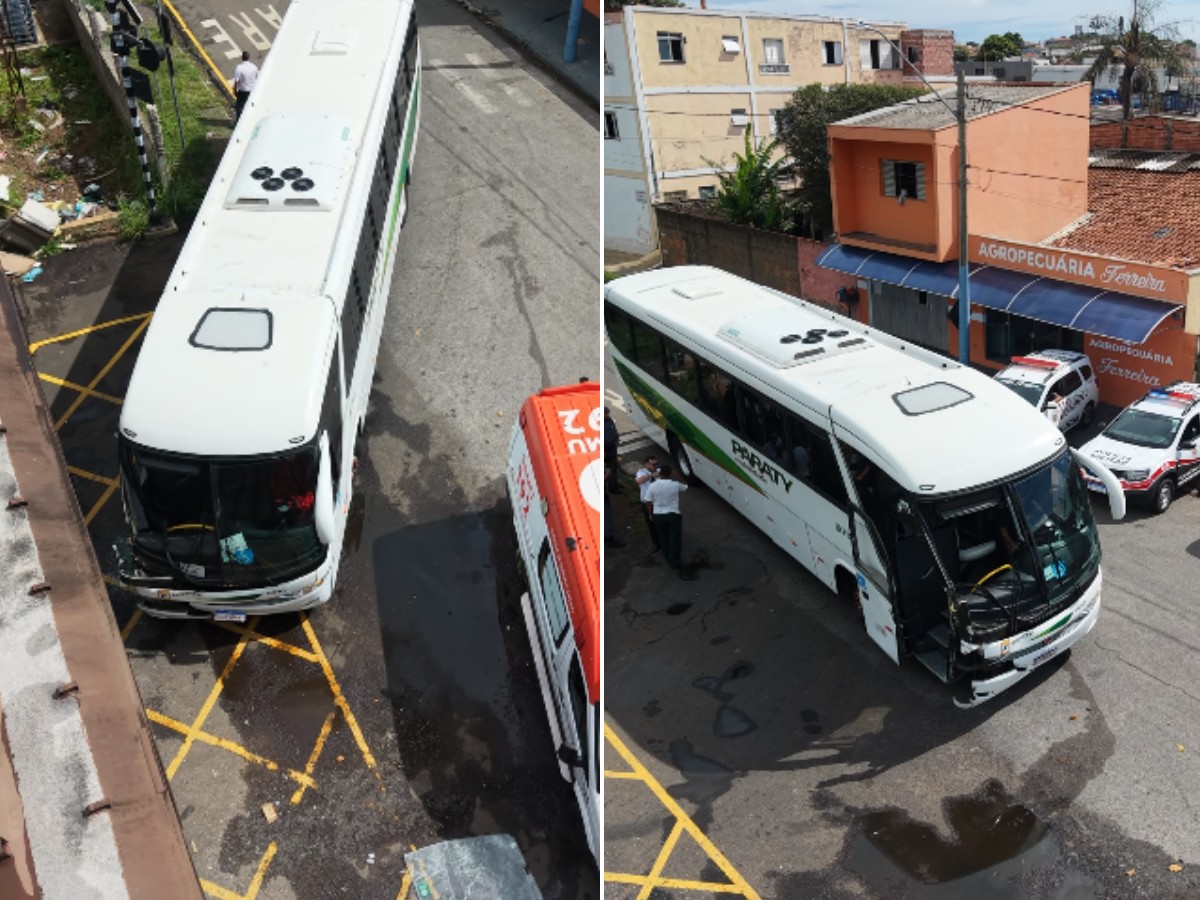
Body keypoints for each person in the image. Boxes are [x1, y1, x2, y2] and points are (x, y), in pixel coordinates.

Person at [646, 463, 688, 573]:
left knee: (663, 537)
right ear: (670, 473)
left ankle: (668, 558)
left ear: (659, 474)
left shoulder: (652, 486)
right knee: (675, 537)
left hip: (658, 514)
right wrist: (677, 474)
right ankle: (675, 560)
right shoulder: (675, 485)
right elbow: (685, 486)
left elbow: (649, 502)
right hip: (673, 513)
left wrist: (650, 514)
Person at [635, 454, 661, 552]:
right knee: (651, 525)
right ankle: (656, 543)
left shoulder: (659, 471)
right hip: (648, 504)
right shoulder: (641, 472)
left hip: (659, 502)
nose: (655, 466)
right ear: (647, 464)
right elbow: (638, 481)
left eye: (656, 464)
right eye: (653, 464)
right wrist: (651, 475)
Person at [232, 51, 259, 123]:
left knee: (239, 107)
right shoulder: (254, 67)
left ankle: (238, 122)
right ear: (249, 57)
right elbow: (257, 77)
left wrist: (234, 90)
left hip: (243, 90)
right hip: (251, 90)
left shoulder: (239, 68)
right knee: (250, 106)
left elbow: (236, 81)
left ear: (242, 58)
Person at [604, 407, 622, 493]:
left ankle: (615, 483)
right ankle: (612, 487)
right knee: (609, 468)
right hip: (605, 450)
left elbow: (614, 429)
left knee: (614, 466)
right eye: (606, 413)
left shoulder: (609, 420)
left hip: (612, 447)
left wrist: (617, 438)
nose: (607, 415)